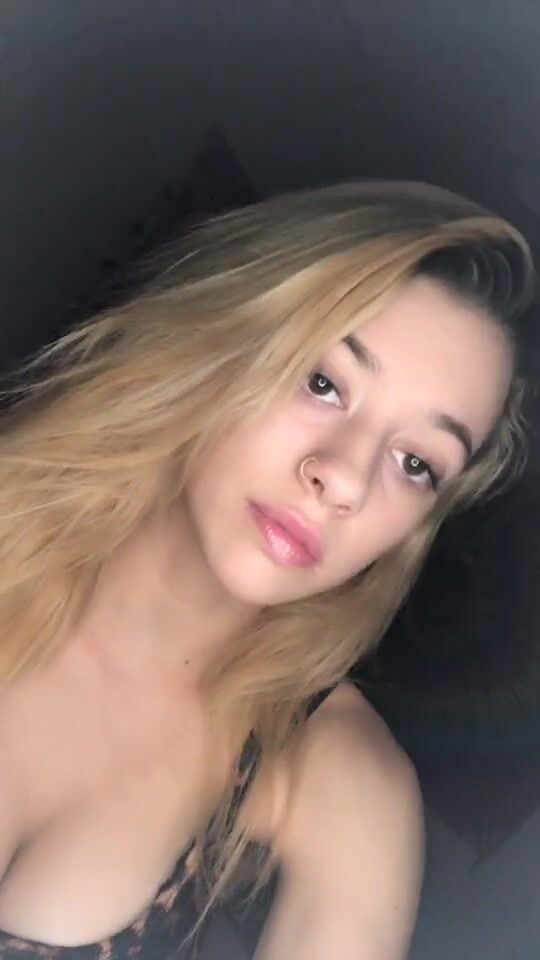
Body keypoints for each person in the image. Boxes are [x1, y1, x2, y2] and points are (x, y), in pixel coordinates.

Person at [0, 180, 534, 960]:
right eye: (324, 384)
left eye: (417, 463)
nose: (344, 479)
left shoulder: (338, 778)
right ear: (221, 346)